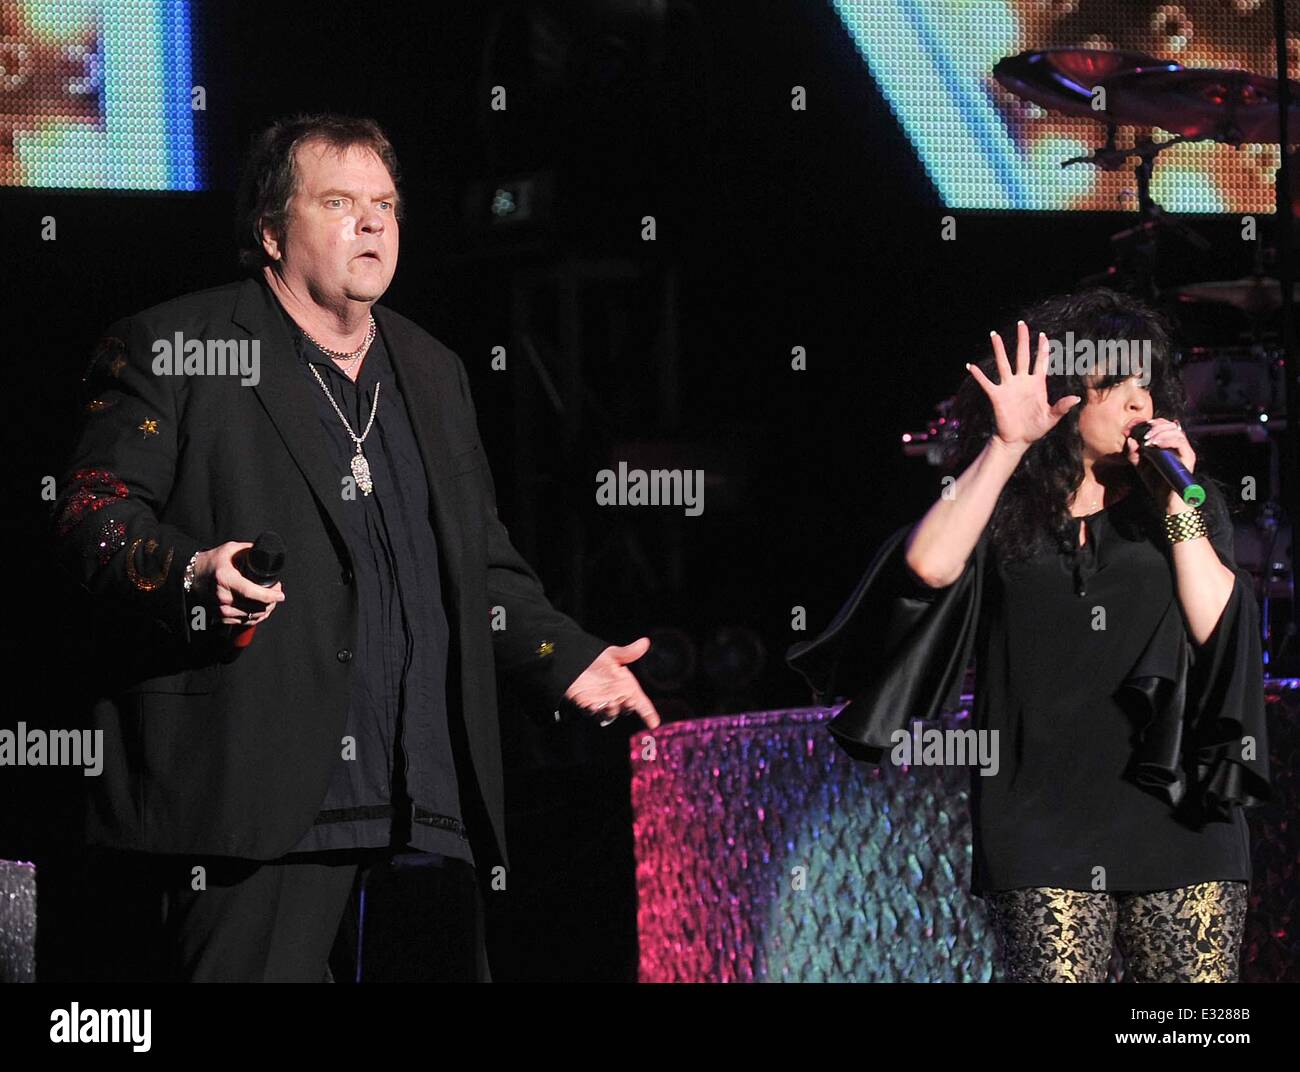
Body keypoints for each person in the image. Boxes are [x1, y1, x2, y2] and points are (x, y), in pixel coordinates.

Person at [51, 113, 660, 983]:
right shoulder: (175, 344)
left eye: (385, 204)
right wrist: (191, 573)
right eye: (338, 202)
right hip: (253, 811)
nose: (373, 223)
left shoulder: (433, 369)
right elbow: (91, 515)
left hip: (424, 807)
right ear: (269, 230)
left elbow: (479, 565)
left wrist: (566, 656)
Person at [789, 289, 1270, 982]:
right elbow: (927, 565)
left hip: (1181, 814)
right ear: (1070, 393)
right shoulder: (1004, 508)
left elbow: (1217, 626)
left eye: (1150, 387)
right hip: (1042, 819)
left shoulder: (1183, 506)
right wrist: (1008, 443)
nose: (1141, 404)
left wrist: (1180, 506)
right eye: (1119, 384)